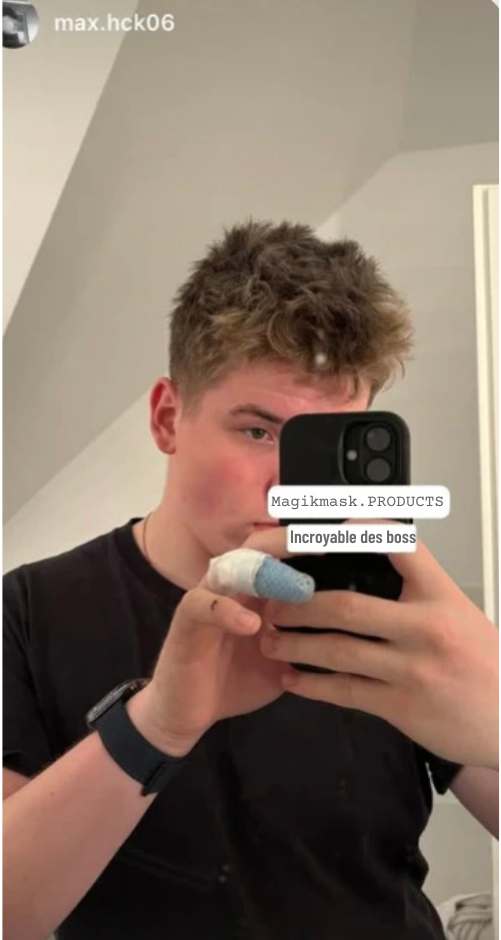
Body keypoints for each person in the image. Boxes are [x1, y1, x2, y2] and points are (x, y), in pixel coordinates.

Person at [3, 221, 498, 939]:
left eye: (325, 446)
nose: (288, 486)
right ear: (168, 418)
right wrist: (157, 725)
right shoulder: (29, 612)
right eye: (258, 432)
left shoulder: (384, 608)